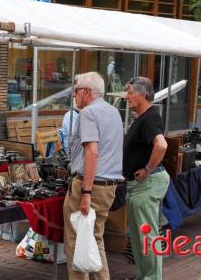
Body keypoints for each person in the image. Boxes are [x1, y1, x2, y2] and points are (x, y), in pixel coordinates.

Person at [63, 72, 124, 280]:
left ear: (87, 92)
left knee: (76, 242)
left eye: (76, 90)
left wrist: (86, 192)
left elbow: (92, 151)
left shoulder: (87, 114)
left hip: (90, 185)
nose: (75, 95)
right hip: (108, 186)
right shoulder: (114, 112)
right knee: (95, 241)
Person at [123, 77, 169, 280]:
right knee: (139, 236)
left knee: (147, 236)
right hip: (139, 185)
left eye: (130, 92)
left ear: (143, 94)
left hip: (146, 183)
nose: (127, 96)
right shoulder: (143, 117)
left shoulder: (149, 118)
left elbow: (162, 145)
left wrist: (148, 169)